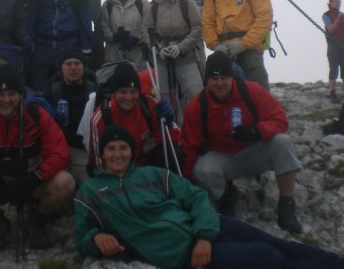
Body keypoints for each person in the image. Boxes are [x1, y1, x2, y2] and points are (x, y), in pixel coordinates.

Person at [74, 125, 344, 269]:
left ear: (132, 153)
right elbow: (82, 235)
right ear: (102, 155)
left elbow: (194, 197)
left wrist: (203, 234)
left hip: (208, 226)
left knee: (280, 245)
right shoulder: (90, 192)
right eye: (111, 148)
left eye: (123, 148)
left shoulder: (153, 174)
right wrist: (95, 238)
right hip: (182, 253)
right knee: (268, 256)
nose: (117, 154)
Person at [0, 64, 75, 250]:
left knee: (65, 182)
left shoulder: (36, 115)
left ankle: (36, 221)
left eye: (11, 93)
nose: (6, 100)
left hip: (31, 183)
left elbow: (60, 153)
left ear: (20, 95)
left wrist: (36, 177)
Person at [181, 51, 302, 234]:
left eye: (224, 77)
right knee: (202, 170)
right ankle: (225, 195)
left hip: (253, 150)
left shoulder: (251, 91)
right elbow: (189, 146)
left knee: (282, 142)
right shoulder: (197, 106)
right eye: (214, 79)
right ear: (207, 81)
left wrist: (256, 131)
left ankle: (287, 206)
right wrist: (186, 183)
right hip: (221, 157)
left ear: (232, 77)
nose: (220, 83)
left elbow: (280, 120)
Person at [202, 0, 273, 90]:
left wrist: (244, 44)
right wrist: (215, 45)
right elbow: (207, 22)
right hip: (223, 51)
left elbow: (264, 16)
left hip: (251, 49)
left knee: (258, 92)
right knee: (227, 94)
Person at [89, 61, 181, 172]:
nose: (128, 97)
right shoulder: (101, 117)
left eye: (133, 92)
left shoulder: (149, 104)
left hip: (146, 161)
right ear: (114, 93)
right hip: (118, 168)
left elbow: (174, 138)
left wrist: (168, 126)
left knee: (174, 153)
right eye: (123, 92)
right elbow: (99, 162)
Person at [27, 0, 92, 91]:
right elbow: (31, 21)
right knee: (40, 90)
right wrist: (31, 45)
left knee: (65, 91)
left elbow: (85, 21)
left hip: (68, 48)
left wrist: (86, 49)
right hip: (43, 48)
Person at [151, 0, 204, 115]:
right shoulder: (153, 6)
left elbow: (198, 28)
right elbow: (146, 31)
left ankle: (200, 122)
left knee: (195, 92)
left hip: (186, 55)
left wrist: (181, 47)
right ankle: (171, 125)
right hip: (162, 57)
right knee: (164, 97)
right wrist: (158, 49)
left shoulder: (188, 3)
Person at [44, 48, 97, 184]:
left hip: (86, 148)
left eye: (77, 63)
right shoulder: (52, 92)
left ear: (83, 67)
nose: (73, 67)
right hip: (60, 148)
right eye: (68, 64)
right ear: (61, 68)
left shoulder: (94, 91)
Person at [101, 0, 152, 69]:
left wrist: (137, 39)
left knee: (139, 78)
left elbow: (149, 25)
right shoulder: (107, 5)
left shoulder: (142, 3)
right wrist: (114, 37)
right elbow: (103, 26)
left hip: (139, 55)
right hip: (114, 55)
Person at [322, 0, 344, 102]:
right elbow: (330, 30)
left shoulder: (341, 15)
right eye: (336, 2)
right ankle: (333, 92)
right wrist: (339, 19)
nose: (338, 4)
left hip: (343, 44)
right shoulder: (327, 15)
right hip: (333, 44)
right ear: (331, 3)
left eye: (340, 2)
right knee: (334, 68)